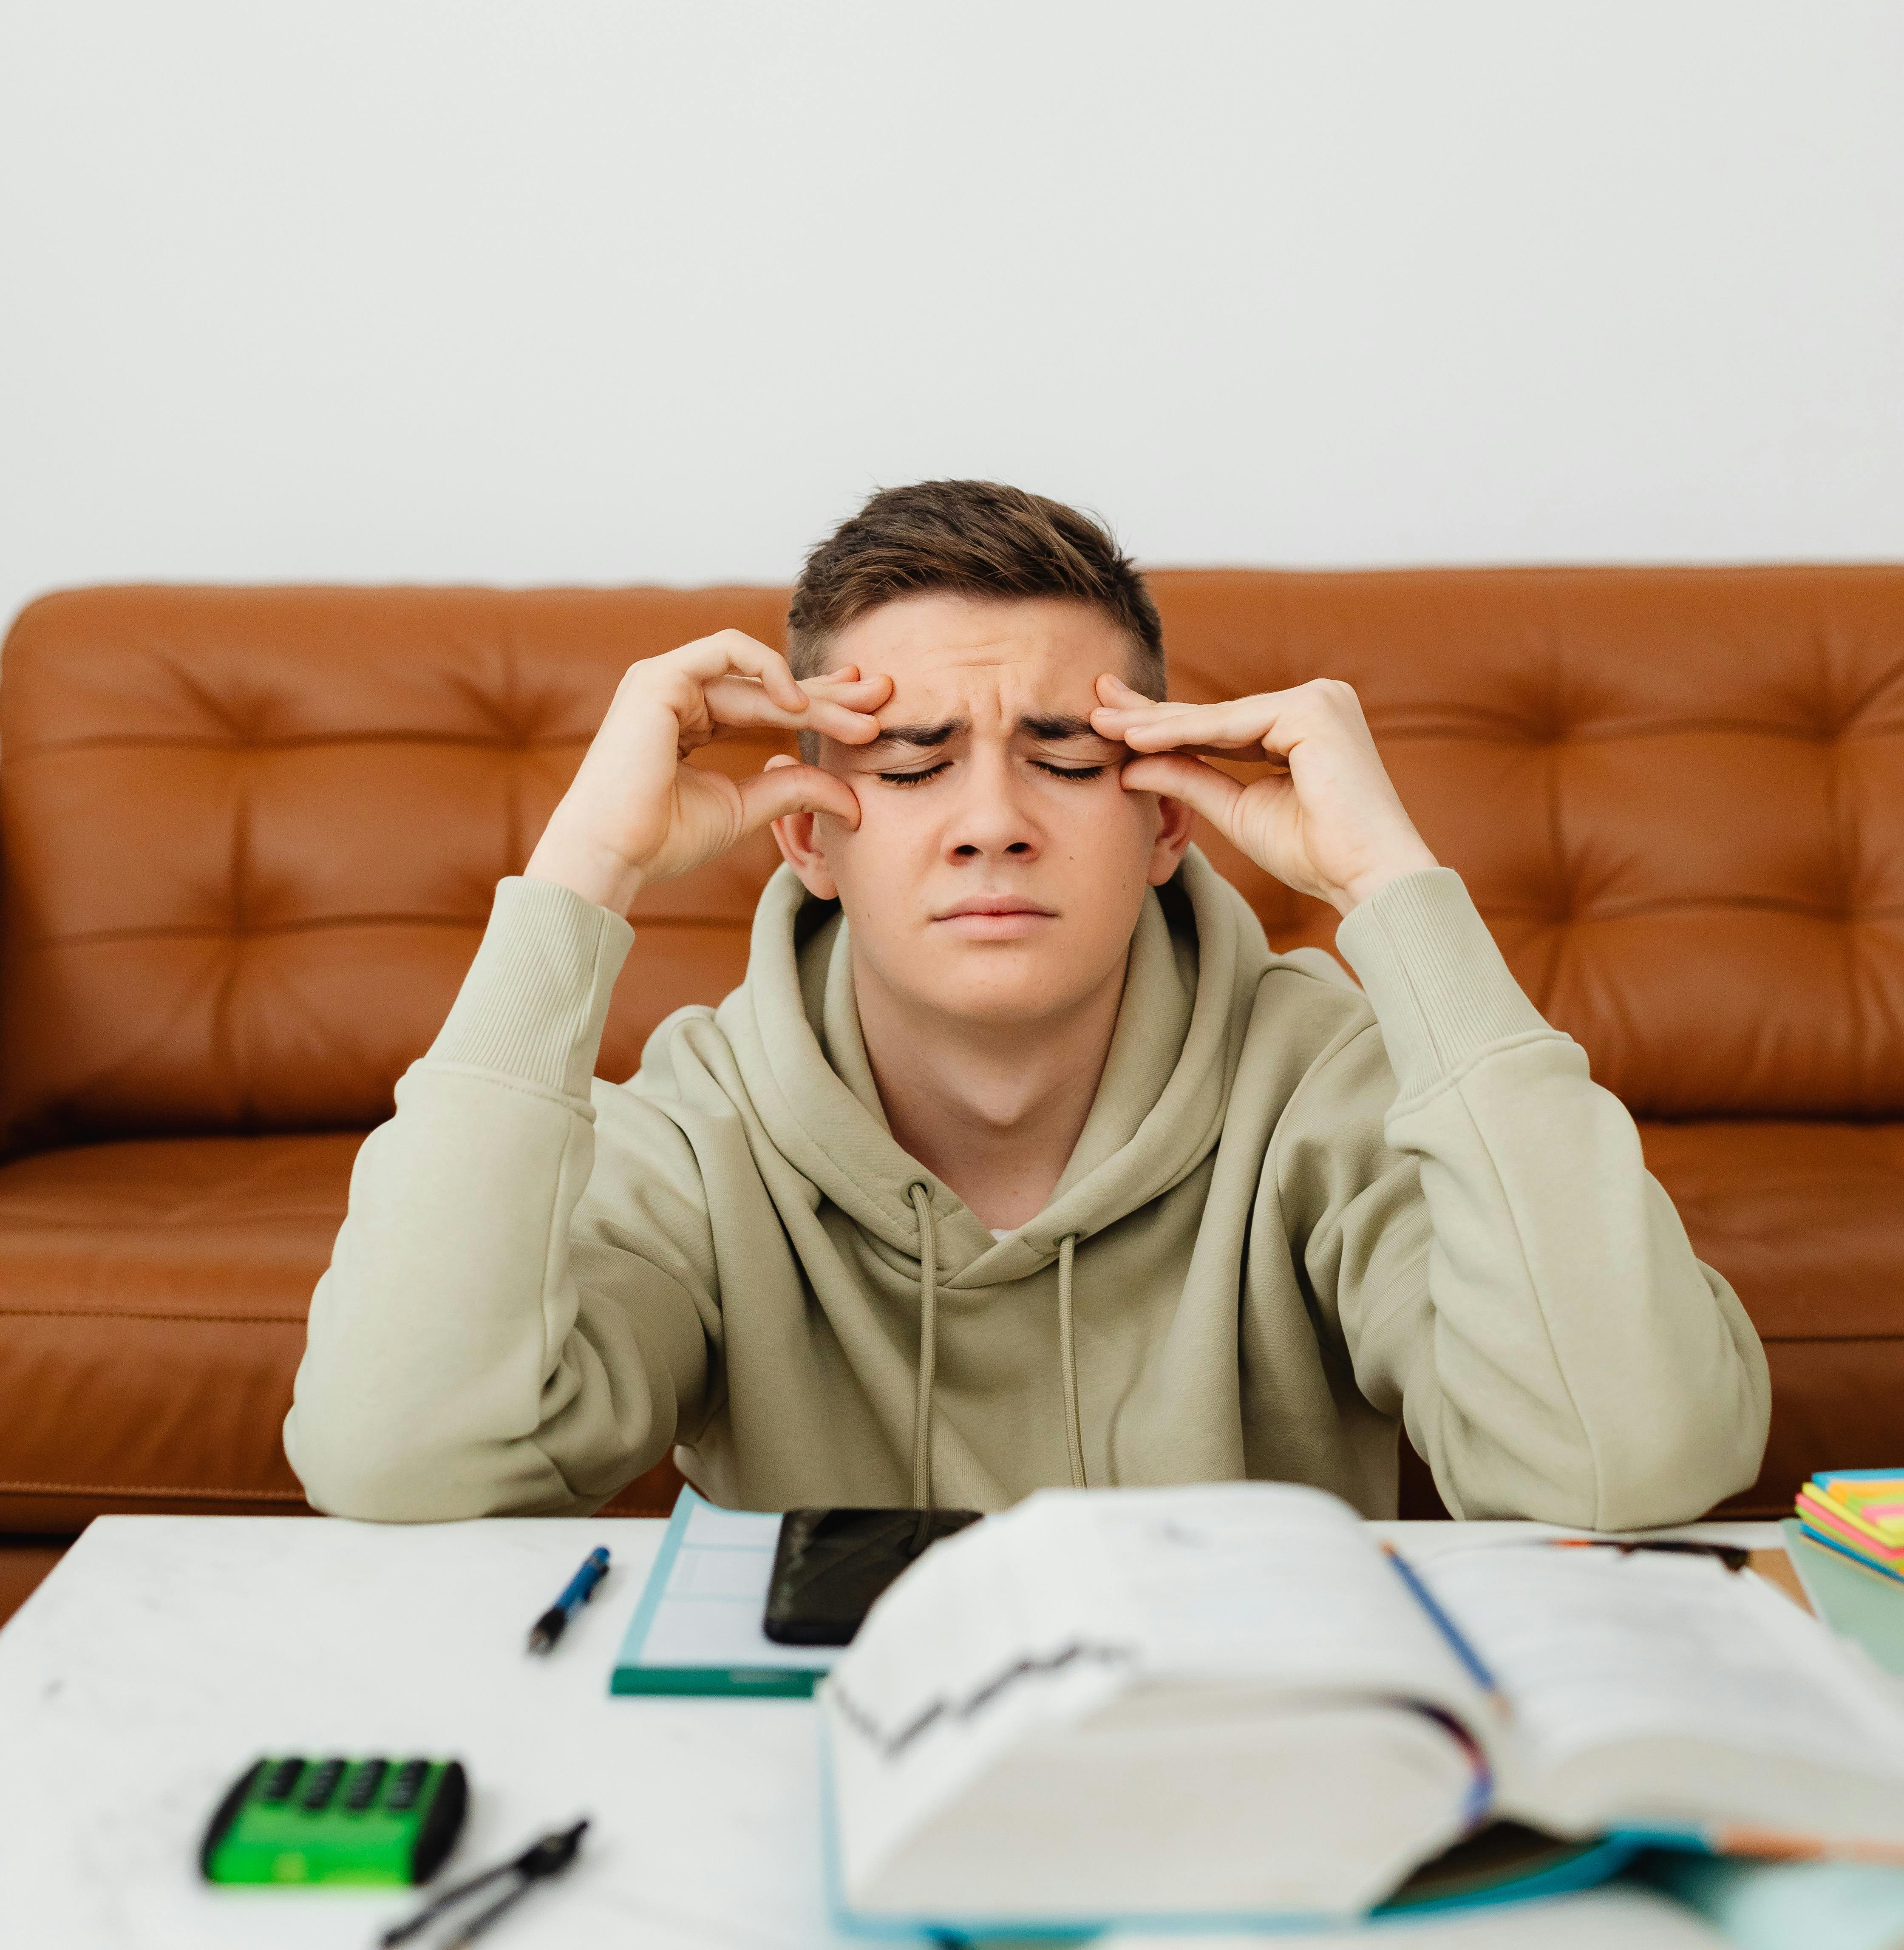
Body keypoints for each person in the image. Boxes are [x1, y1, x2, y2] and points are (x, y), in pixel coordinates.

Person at [286, 480, 1768, 1527]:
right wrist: (578, 878)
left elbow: (1626, 1461)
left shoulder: (1330, 1085)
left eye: (1065, 758)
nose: (990, 820)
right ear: (807, 835)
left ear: (1169, 820)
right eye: (915, 762)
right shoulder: (702, 1124)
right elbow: (394, 1461)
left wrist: (1396, 891)